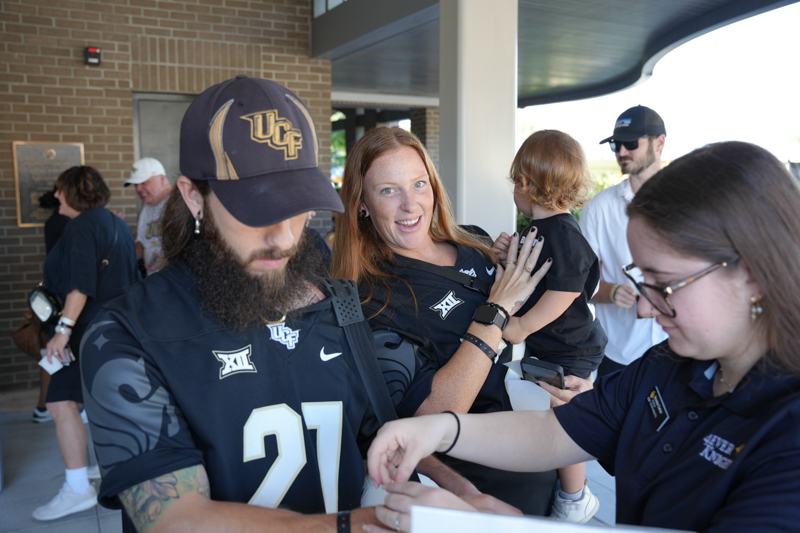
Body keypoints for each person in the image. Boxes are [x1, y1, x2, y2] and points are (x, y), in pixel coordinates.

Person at [79, 76, 484, 533]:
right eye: (254, 210)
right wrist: (360, 525)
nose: (284, 237)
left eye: (296, 205)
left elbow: (376, 428)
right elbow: (174, 519)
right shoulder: (125, 333)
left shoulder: (337, 296)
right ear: (195, 197)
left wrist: (454, 487)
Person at [365, 141, 800, 533]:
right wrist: (438, 430)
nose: (646, 308)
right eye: (641, 280)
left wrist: (507, 527)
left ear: (753, 275)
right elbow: (552, 434)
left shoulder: (786, 429)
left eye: (664, 285)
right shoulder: (666, 367)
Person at [333, 126, 581, 516]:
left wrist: (552, 384)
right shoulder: (371, 297)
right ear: (361, 202)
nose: (410, 205)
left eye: (418, 184)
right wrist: (494, 312)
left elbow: (515, 348)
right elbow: (432, 416)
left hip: (542, 459)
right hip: (475, 493)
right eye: (388, 190)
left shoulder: (474, 243)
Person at [492, 130, 606, 522]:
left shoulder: (565, 233)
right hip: (552, 344)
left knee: (565, 416)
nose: (514, 190)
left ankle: (576, 497)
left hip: (571, 347)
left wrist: (521, 325)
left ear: (526, 184)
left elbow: (565, 292)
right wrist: (510, 255)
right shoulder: (537, 231)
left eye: (515, 182)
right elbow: (530, 277)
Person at [33, 166, 140, 521]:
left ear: (73, 192)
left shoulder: (80, 227)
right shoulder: (113, 222)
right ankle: (97, 470)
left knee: (59, 403)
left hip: (82, 330)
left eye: (60, 190)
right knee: (87, 403)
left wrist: (62, 331)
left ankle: (77, 489)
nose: (57, 196)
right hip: (113, 328)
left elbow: (80, 285)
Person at [580, 106, 668, 375]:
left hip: (679, 350)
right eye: (616, 145)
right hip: (619, 357)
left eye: (631, 143)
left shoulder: (688, 202)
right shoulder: (599, 209)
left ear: (660, 142)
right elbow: (579, 281)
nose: (621, 152)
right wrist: (613, 292)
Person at [31, 188, 71, 424]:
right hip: (64, 296)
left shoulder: (54, 222)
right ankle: (45, 405)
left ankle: (43, 405)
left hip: (56, 294)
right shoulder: (66, 223)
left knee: (53, 350)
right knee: (55, 351)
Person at [125, 157, 173, 275]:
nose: (138, 189)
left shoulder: (180, 204)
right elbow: (140, 247)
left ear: (162, 179)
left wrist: (170, 259)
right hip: (154, 282)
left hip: (177, 284)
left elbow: (196, 246)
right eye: (135, 184)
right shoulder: (147, 209)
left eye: (144, 182)